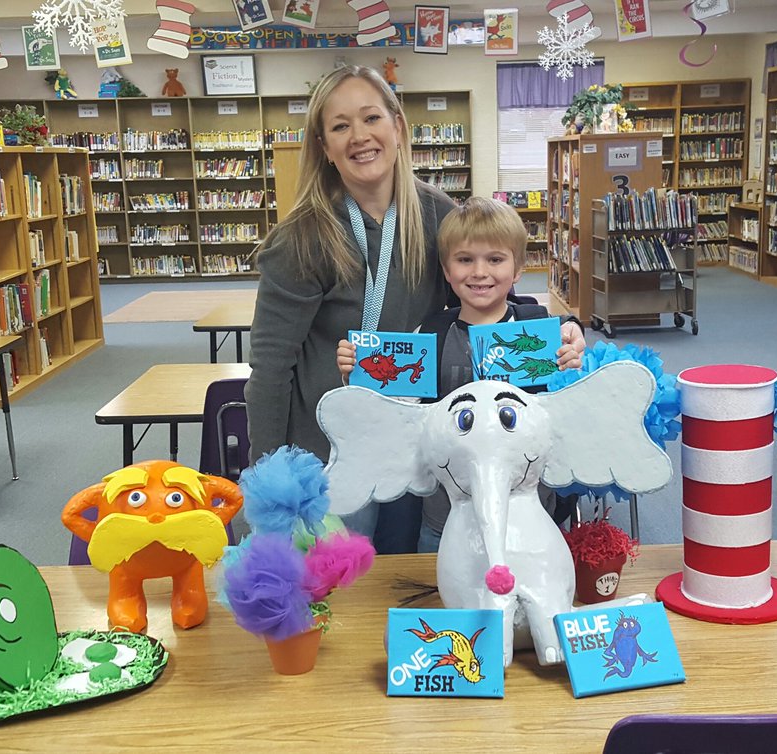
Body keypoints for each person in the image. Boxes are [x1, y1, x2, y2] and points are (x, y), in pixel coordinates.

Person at [247, 67, 584, 553]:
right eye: (340, 126)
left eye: (371, 118)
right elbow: (271, 367)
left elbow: (485, 297)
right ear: (323, 145)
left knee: (405, 575)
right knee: (337, 586)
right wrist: (268, 475)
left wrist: (563, 329)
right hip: (332, 449)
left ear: (398, 127)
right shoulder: (301, 238)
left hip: (417, 442)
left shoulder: (438, 214)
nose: (360, 136)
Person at [336, 197, 584, 552]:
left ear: (517, 270)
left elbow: (568, 404)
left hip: (529, 516)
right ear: (447, 269)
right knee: (446, 602)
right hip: (446, 521)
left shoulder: (542, 332)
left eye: (495, 259)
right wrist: (357, 376)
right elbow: (398, 414)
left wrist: (575, 347)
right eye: (465, 260)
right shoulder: (430, 335)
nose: (479, 272)